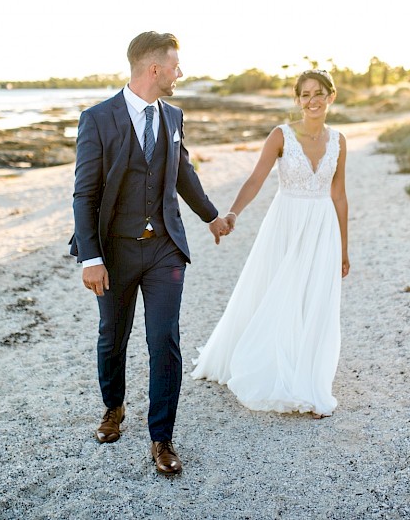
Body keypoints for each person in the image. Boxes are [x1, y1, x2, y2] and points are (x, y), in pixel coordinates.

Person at [70, 31, 230, 476]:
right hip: (114, 252)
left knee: (165, 340)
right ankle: (114, 408)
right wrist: (90, 258)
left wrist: (211, 217)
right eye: (176, 65)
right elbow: (84, 194)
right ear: (154, 69)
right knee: (112, 335)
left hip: (164, 249)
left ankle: (161, 438)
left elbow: (184, 174)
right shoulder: (98, 118)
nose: (181, 72)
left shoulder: (174, 116)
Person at [191, 69, 349, 418]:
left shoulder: (339, 140)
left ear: (331, 96)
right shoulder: (280, 135)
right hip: (285, 222)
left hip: (322, 226)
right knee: (278, 291)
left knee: (312, 297)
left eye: (319, 93)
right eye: (305, 94)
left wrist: (344, 247)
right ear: (297, 99)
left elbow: (339, 195)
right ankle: (275, 369)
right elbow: (256, 179)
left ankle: (305, 372)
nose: (313, 100)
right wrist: (233, 212)